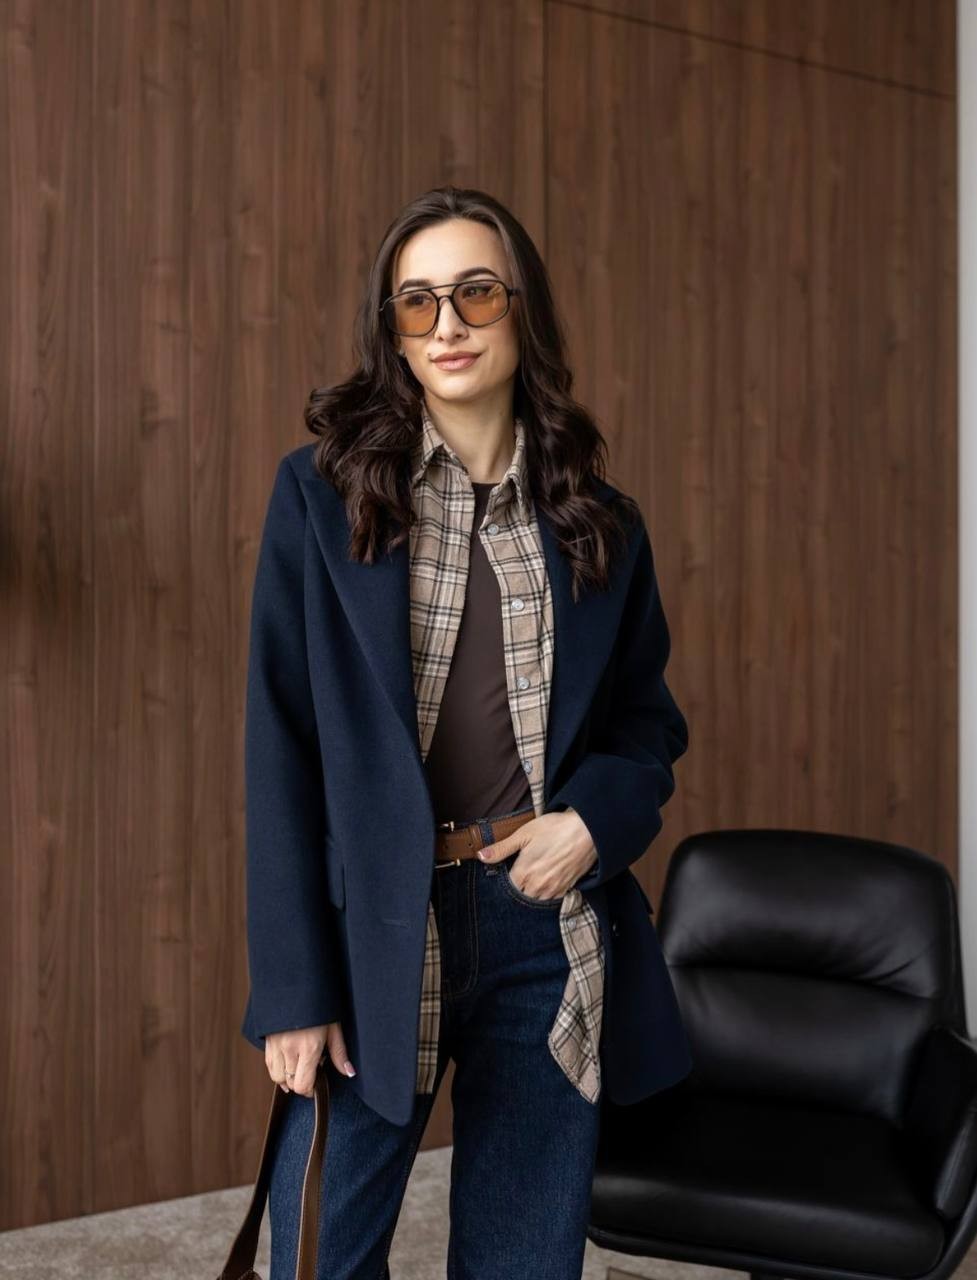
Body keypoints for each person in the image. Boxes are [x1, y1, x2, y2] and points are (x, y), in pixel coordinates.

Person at [242, 185, 692, 1280]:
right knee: (319, 1257)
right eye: (417, 302)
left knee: (521, 1260)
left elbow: (646, 724)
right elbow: (281, 747)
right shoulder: (321, 496)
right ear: (392, 330)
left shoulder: (599, 519)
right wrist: (293, 989)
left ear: (521, 309)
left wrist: (589, 823)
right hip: (375, 926)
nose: (446, 324)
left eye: (475, 293)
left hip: (544, 922)